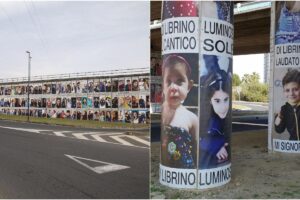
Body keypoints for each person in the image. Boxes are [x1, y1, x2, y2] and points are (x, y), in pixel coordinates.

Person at [161, 54, 198, 168]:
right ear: (163, 86)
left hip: (186, 169)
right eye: (168, 81)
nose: (173, 87)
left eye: (179, 81)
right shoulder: (163, 111)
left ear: (189, 86)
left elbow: (197, 148)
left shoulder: (191, 118)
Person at [199, 70, 231, 169]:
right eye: (217, 101)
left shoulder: (224, 119)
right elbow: (197, 138)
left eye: (226, 100)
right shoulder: (205, 119)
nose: (223, 107)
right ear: (210, 100)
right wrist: (217, 146)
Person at [274, 69, 300, 141]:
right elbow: (279, 130)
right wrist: (279, 118)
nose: (291, 93)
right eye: (287, 90)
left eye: (295, 89)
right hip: (293, 145)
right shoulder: (284, 109)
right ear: (284, 92)